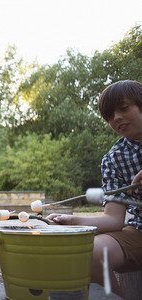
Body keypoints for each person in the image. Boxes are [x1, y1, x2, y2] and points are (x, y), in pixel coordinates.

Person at [47, 80, 142, 297]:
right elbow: (114, 220)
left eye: (124, 108)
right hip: (139, 230)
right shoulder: (114, 158)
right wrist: (72, 221)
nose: (116, 118)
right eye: (109, 116)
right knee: (87, 253)